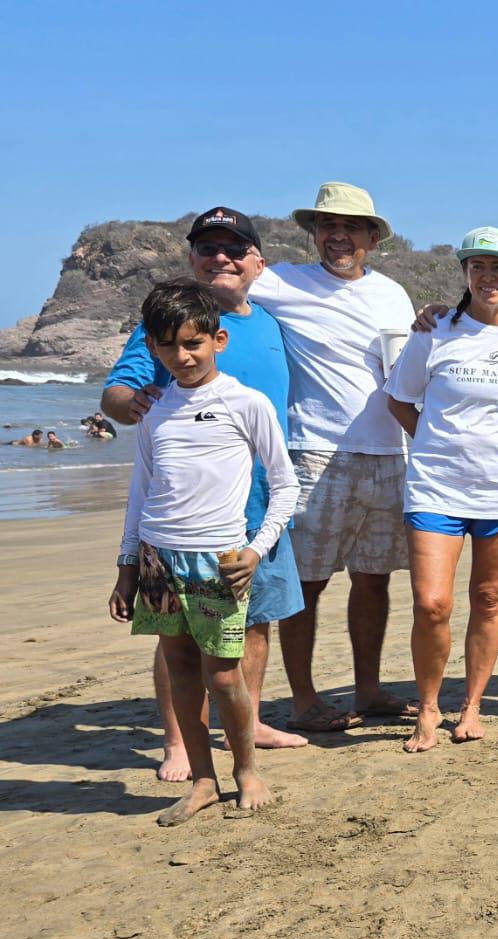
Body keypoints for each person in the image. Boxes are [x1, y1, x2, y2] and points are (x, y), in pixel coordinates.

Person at [103, 207, 309, 779]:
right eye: (208, 249)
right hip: (185, 509)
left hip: (262, 494)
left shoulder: (270, 323)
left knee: (259, 616)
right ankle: (177, 741)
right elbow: (117, 395)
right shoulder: (173, 322)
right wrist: (135, 406)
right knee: (182, 636)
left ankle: (251, 721)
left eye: (234, 249)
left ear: (257, 263)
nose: (221, 258)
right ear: (190, 259)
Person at [249, 182, 417, 731]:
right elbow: (218, 294)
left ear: (372, 236)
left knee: (374, 578)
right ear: (313, 233)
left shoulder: (393, 293)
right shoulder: (280, 282)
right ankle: (303, 701)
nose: (338, 236)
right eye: (326, 226)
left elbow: (407, 366)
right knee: (308, 582)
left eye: (350, 227)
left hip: (389, 451)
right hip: (314, 453)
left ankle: (367, 690)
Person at [384, 228, 498, 752]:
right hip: (435, 485)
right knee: (431, 603)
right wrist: (438, 443)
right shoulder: (433, 331)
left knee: (489, 596)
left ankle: (472, 705)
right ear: (465, 274)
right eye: (477, 266)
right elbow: (400, 400)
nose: (488, 277)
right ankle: (428, 709)